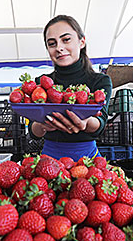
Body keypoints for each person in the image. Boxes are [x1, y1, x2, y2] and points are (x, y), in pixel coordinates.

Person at [29, 15, 112, 161]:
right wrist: (41, 125)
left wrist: (85, 123)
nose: (59, 48)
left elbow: (100, 123)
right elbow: (33, 131)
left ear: (82, 42)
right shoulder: (41, 84)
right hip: (49, 159)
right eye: (52, 43)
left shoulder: (100, 81)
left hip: (87, 159)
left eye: (66, 40)